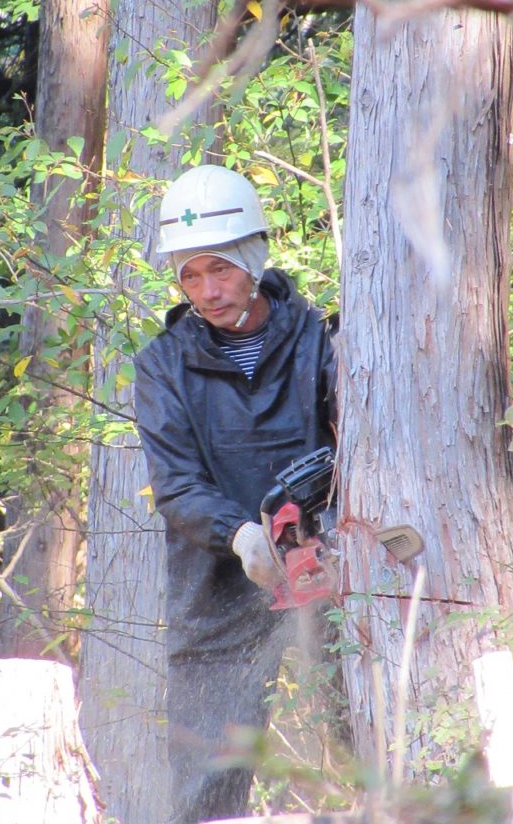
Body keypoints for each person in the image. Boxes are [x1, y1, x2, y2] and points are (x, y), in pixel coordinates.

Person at [133, 164, 337, 824]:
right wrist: (241, 534)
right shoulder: (162, 364)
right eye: (190, 274)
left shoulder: (319, 341)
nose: (207, 289)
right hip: (216, 588)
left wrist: (318, 533)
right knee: (207, 782)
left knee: (357, 746)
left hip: (327, 571)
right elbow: (177, 484)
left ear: (252, 257)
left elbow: (361, 450)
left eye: (219, 268)